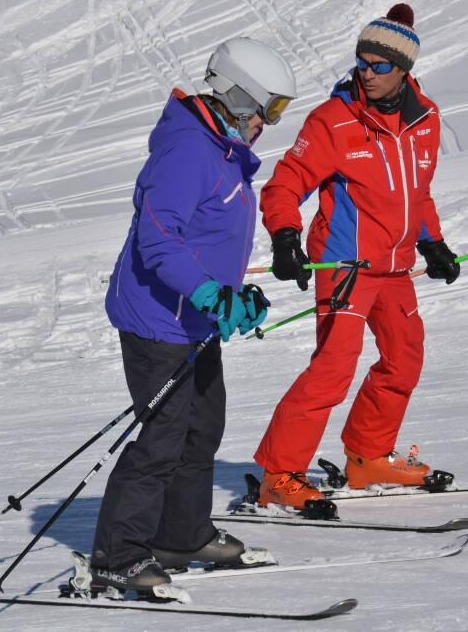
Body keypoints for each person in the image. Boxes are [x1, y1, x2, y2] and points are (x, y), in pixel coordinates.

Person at [90, 38, 297, 592]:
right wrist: (211, 294)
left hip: (194, 320)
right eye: (269, 109)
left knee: (202, 429)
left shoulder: (221, 150)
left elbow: (209, 238)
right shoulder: (188, 151)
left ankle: (181, 534)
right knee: (161, 440)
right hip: (158, 321)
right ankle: (118, 557)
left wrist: (233, 296)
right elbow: (160, 243)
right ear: (237, 98)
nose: (269, 123)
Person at [253, 4, 462, 509]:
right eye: (362, 62)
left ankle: (367, 457)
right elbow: (287, 184)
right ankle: (279, 475)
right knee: (333, 367)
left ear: (404, 70)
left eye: (380, 66)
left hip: (394, 268)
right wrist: (286, 237)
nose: (366, 73)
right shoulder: (334, 120)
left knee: (404, 357)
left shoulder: (426, 119)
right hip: (346, 266)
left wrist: (432, 242)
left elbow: (418, 191)